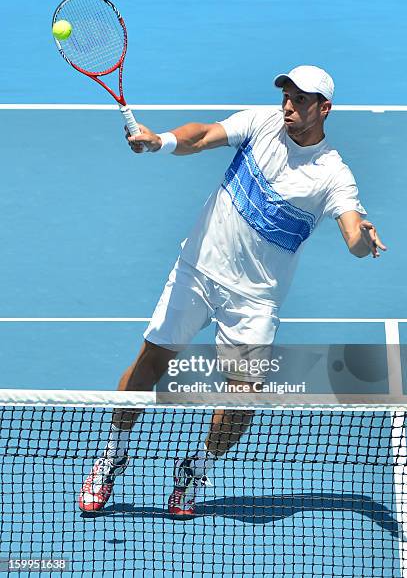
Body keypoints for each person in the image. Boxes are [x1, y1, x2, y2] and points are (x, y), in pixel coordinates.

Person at [78, 65, 386, 517]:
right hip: (198, 270)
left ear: (324, 108)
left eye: (301, 100)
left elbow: (354, 236)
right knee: (149, 364)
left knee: (244, 396)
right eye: (287, 95)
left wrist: (363, 239)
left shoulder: (333, 175)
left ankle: (195, 469)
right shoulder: (261, 122)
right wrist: (160, 141)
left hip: (254, 300)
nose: (288, 105)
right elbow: (201, 135)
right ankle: (113, 455)